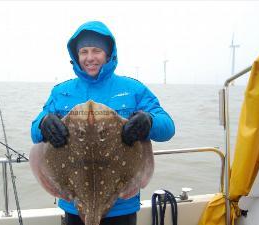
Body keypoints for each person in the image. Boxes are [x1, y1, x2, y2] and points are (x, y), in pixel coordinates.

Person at [31, 21, 175, 225]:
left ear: (108, 54)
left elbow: (167, 127)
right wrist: (43, 124)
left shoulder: (133, 89)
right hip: (74, 203)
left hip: (121, 207)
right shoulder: (61, 92)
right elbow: (35, 132)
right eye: (84, 52)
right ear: (76, 56)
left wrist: (149, 121)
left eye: (96, 50)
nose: (90, 58)